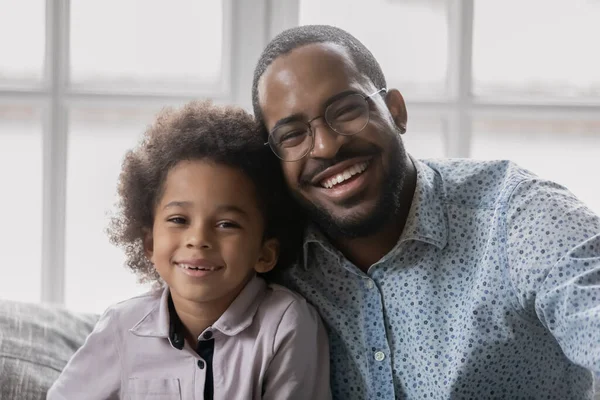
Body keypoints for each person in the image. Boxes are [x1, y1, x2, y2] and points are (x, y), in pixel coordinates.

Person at [252, 25, 600, 399]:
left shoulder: (518, 215)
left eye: (347, 110)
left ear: (396, 111)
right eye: (292, 135)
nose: (326, 145)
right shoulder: (267, 257)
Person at [47, 101, 331, 400]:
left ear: (265, 253)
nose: (198, 239)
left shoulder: (285, 324)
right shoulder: (122, 326)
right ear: (150, 243)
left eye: (226, 224)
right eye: (179, 220)